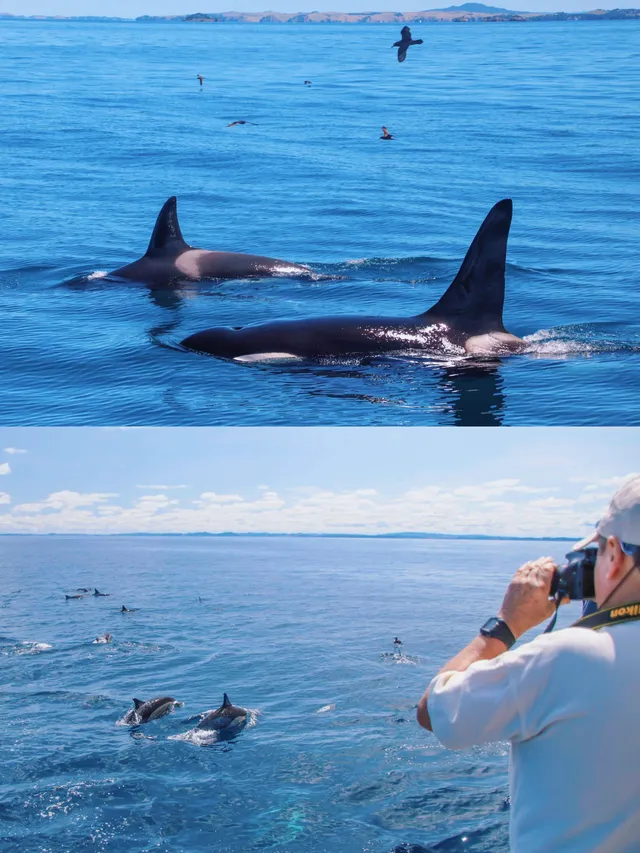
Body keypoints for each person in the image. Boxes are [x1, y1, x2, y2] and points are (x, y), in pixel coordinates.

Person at [417, 475, 640, 853]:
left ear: (615, 556)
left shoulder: (567, 656)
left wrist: (508, 622)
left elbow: (434, 712)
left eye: (596, 554)